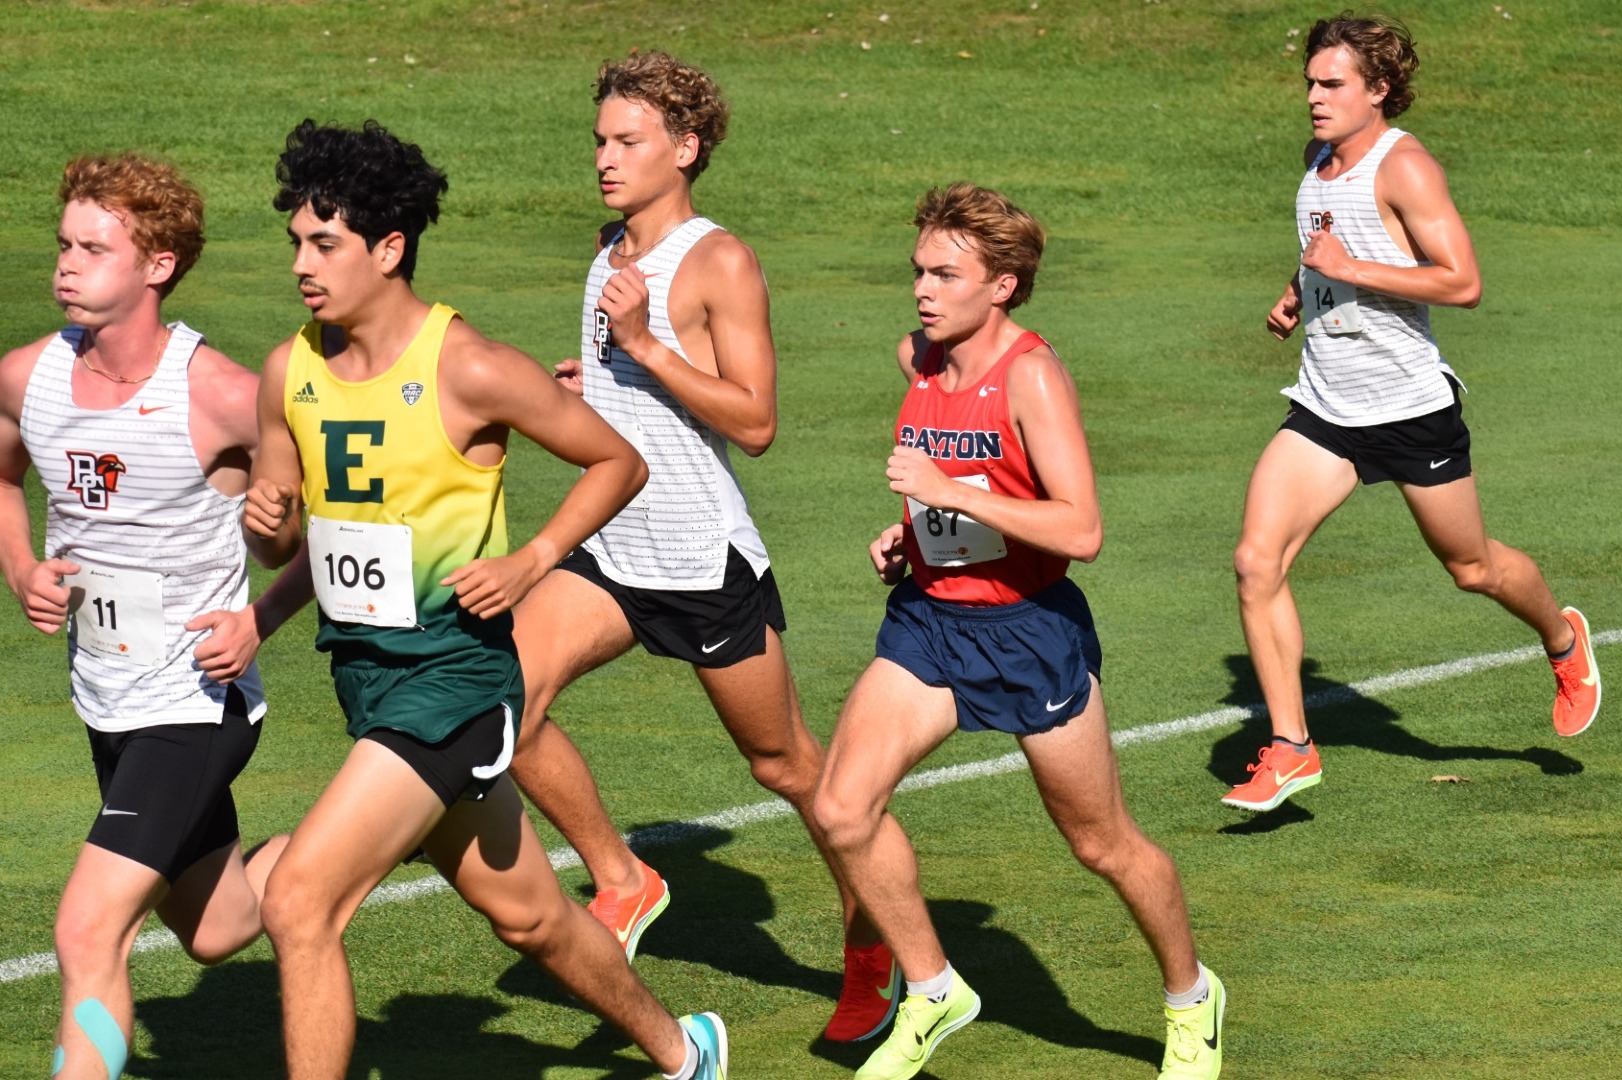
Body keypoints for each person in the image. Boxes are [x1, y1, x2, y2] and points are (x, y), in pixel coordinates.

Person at [242, 119, 726, 1080]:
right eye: (296, 241)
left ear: (388, 250)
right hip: (369, 683)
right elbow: (289, 539)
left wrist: (534, 559)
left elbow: (615, 461)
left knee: (300, 900)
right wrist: (269, 525)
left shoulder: (468, 366)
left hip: (455, 683)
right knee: (532, 916)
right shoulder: (287, 372)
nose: (302, 263)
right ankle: (686, 1052)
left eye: (324, 244)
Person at [811, 182, 1226, 1080]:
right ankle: (932, 988)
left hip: (1028, 633)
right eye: (919, 269)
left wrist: (949, 495)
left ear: (1001, 286)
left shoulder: (1031, 375)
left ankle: (1193, 1000)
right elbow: (948, 490)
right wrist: (912, 537)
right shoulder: (919, 358)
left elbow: (1081, 530)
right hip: (928, 624)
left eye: (946, 274)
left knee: (1100, 843)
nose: (923, 289)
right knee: (841, 808)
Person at [515, 50, 889, 1040]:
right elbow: (632, 408)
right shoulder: (607, 251)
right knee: (498, 703)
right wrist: (585, 388)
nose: (605, 157)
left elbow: (756, 420)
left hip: (699, 560)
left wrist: (642, 348)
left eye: (627, 141)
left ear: (684, 149)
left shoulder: (718, 261)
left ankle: (873, 933)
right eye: (600, 138)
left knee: (788, 768)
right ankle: (623, 878)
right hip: (610, 547)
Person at [1228, 13, 1600, 812]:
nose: (1314, 99)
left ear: (1380, 90)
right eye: (1310, 84)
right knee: (1257, 563)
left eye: (1332, 85)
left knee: (1472, 569)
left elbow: (1462, 282)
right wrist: (1301, 289)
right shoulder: (1317, 161)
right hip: (1326, 405)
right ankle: (1292, 747)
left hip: (1408, 409)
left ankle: (1563, 638)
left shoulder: (1408, 169)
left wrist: (1348, 268)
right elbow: (1326, 244)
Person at [0, 154, 302, 1080]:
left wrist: (261, 613)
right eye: (64, 243)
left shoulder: (222, 393)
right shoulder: (25, 377)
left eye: (96, 248)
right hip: (105, 697)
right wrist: (21, 570)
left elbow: (325, 535)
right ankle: (367, 832)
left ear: (158, 266)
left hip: (194, 699)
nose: (66, 264)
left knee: (88, 928)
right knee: (219, 930)